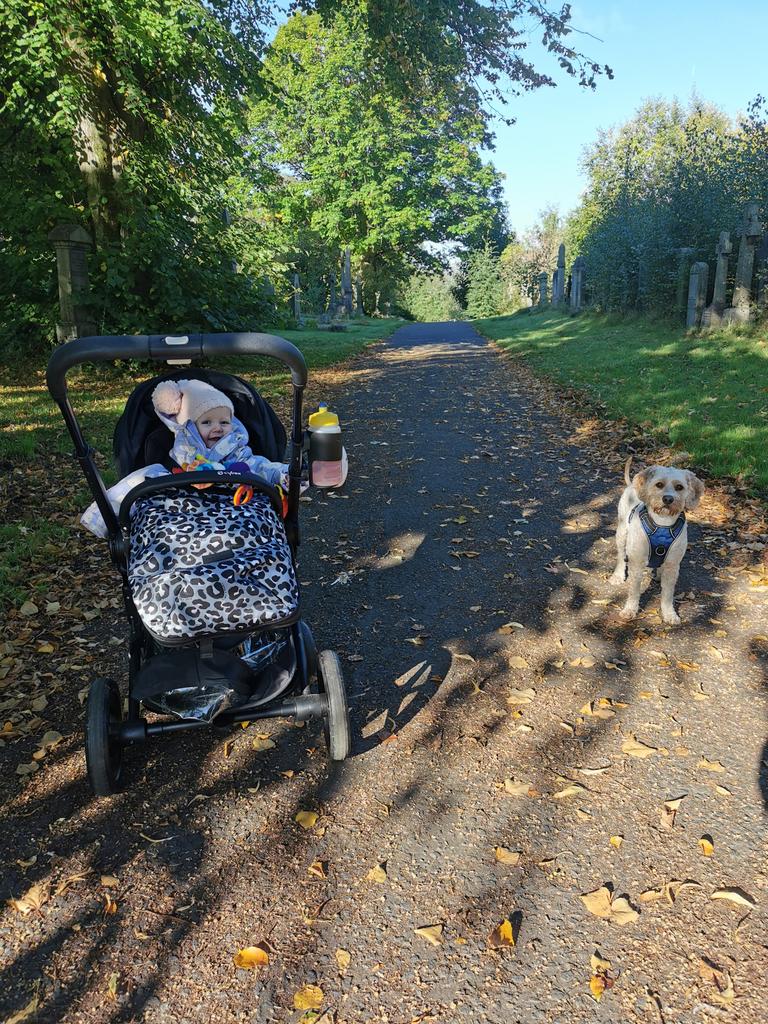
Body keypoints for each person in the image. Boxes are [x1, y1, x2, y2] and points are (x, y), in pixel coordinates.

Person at [81, 379, 291, 538]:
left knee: (259, 468)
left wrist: (283, 475)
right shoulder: (184, 452)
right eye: (207, 422)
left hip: (234, 507)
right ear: (189, 428)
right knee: (144, 477)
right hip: (179, 505)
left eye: (224, 422)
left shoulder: (238, 452)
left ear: (233, 423)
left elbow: (261, 466)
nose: (217, 427)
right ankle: (103, 516)